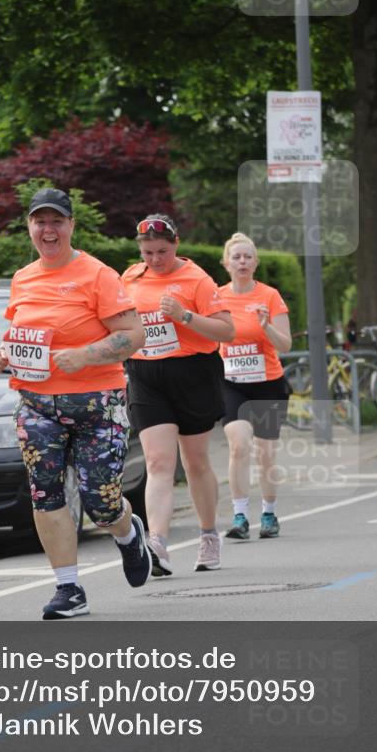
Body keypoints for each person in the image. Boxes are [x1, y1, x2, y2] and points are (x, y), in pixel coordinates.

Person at [0, 187, 150, 619]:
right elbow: (19, 336)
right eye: (40, 221)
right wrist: (1, 356)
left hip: (98, 404)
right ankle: (68, 589)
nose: (48, 229)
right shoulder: (23, 278)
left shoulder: (98, 275)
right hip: (37, 404)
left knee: (101, 503)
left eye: (56, 221)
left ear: (71, 226)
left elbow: (134, 335)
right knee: (45, 494)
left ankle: (127, 531)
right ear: (29, 227)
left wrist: (85, 355)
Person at [121, 215, 234, 576]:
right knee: (157, 462)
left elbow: (227, 330)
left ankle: (208, 534)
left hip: (193, 373)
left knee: (196, 461)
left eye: (163, 251)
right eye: (148, 252)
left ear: (177, 244)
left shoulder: (196, 279)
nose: (156, 259)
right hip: (145, 375)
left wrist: (184, 315)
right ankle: (157, 544)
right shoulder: (131, 278)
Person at [218, 232, 291, 540]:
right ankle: (239, 515)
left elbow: (285, 345)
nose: (242, 261)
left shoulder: (269, 296)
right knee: (238, 444)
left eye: (248, 257)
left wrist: (265, 327)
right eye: (237, 257)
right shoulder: (216, 296)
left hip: (268, 384)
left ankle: (269, 513)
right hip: (231, 383)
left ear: (256, 262)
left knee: (266, 453)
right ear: (226, 264)